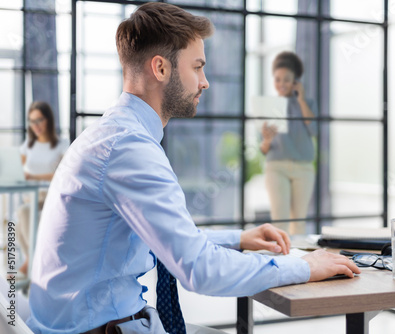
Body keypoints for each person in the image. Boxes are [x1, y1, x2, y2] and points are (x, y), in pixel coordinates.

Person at [26, 3, 360, 334]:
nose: (205, 82)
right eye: (197, 67)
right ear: (160, 68)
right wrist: (303, 265)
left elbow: (169, 237)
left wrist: (240, 239)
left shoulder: (115, 135)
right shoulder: (128, 148)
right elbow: (199, 269)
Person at [260, 52, 316, 235]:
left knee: (299, 223)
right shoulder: (269, 106)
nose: (281, 84)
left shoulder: (307, 103)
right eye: (277, 79)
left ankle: (299, 261)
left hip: (303, 168)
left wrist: (300, 100)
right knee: (280, 221)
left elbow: (314, 129)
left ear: (295, 82)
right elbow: (263, 149)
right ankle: (282, 260)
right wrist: (267, 139)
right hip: (277, 167)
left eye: (286, 80)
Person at [16, 101, 68, 276]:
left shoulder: (62, 144)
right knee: (19, 216)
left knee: (24, 213)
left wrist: (34, 177)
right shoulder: (28, 146)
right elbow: (18, 170)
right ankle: (34, 261)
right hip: (31, 196)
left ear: (48, 120)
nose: (35, 125)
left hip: (50, 195)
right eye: (32, 121)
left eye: (39, 120)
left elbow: (63, 175)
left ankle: (32, 261)